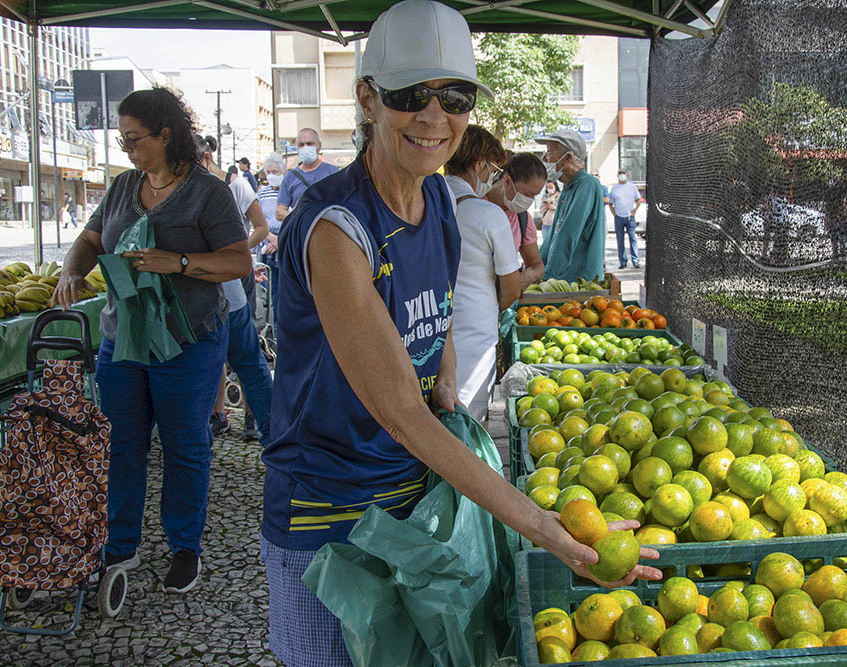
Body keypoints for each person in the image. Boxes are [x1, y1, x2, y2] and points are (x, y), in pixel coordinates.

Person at [259, 2, 659, 664]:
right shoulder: (336, 228)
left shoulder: (442, 203)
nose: (434, 115)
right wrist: (543, 528)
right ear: (368, 100)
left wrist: (444, 364)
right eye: (410, 94)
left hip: (414, 501)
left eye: (456, 95)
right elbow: (403, 418)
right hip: (328, 518)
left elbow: (435, 313)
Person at [51, 87, 252, 594]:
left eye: (134, 139)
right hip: (123, 340)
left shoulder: (208, 192)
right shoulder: (122, 188)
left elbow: (238, 260)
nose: (128, 149)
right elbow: (92, 240)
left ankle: (185, 548)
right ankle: (120, 544)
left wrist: (180, 262)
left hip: (189, 341)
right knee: (122, 444)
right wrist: (73, 270)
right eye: (123, 141)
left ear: (166, 135)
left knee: (185, 446)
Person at [196, 135, 272, 444]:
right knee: (222, 362)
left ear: (204, 158)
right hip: (215, 289)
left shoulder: (230, 187)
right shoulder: (195, 187)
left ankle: (265, 429)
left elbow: (262, 227)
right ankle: (220, 416)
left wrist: (237, 254)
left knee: (248, 363)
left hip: (232, 287)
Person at [444, 125, 520, 422]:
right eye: (494, 169)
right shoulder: (488, 214)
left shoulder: (423, 200)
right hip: (474, 334)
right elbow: (512, 288)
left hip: (427, 325)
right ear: (479, 164)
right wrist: (489, 306)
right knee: (469, 423)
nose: (494, 177)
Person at [537, 129, 606, 281]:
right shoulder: (568, 189)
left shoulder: (587, 185)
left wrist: (548, 276)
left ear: (567, 157)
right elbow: (553, 237)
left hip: (579, 283)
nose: (544, 158)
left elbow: (568, 235)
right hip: (563, 280)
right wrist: (536, 266)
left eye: (549, 152)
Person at [486, 151, 546, 289]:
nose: (529, 201)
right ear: (507, 181)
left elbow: (537, 265)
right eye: (527, 194)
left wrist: (525, 277)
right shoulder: (472, 205)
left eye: (534, 196)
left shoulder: (522, 218)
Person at [274, 128, 339, 222]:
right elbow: (280, 212)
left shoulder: (333, 172)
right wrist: (299, 219)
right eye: (301, 145)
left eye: (310, 144)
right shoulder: (290, 177)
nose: (305, 147)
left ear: (319, 146)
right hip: (301, 233)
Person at [256, 152, 285, 336]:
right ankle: (274, 333)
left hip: (285, 243)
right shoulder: (262, 194)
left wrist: (280, 239)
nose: (271, 175)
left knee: (287, 294)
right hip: (268, 245)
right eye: (268, 172)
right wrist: (271, 238)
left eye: (275, 171)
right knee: (272, 294)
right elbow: (257, 221)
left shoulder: (288, 191)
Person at [609, 169, 643, 269]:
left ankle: (635, 260)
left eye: (624, 173)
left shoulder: (632, 187)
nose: (622, 175)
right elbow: (611, 203)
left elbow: (638, 200)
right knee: (620, 240)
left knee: (633, 238)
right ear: (617, 175)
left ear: (627, 175)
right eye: (620, 173)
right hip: (619, 217)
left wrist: (634, 211)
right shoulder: (615, 188)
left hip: (629, 217)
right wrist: (614, 214)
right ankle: (622, 261)